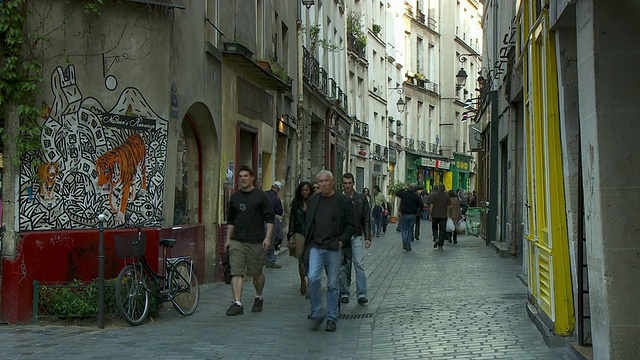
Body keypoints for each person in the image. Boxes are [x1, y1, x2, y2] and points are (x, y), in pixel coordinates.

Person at [302, 170, 356, 332]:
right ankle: (317, 312)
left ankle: (332, 317)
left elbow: (351, 225)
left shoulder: (343, 201)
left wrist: (341, 241)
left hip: (334, 247)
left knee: (333, 284)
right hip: (316, 247)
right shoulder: (313, 201)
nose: (323, 184)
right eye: (320, 181)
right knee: (313, 279)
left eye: (326, 181)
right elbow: (309, 222)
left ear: (332, 182)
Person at [225, 165, 274, 316]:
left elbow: (269, 218)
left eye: (246, 176)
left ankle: (258, 297)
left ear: (252, 178)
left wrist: (268, 237)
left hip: (256, 241)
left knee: (256, 272)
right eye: (240, 176)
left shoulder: (261, 196)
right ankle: (237, 303)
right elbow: (231, 220)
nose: (243, 179)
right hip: (237, 240)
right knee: (236, 272)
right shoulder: (235, 197)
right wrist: (228, 239)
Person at [339, 173, 372, 306]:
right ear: (342, 184)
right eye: (345, 183)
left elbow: (366, 217)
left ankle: (362, 293)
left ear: (353, 183)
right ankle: (344, 292)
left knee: (359, 265)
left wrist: (368, 237)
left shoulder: (361, 198)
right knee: (343, 265)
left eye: (349, 183)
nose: (347, 186)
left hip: (357, 235)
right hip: (342, 236)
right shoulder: (338, 198)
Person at [287, 181, 313, 296]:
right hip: (299, 233)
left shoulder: (315, 202)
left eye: (307, 190)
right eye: (303, 190)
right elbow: (292, 219)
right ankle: (303, 280)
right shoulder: (296, 203)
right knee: (301, 259)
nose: (304, 192)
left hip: (312, 234)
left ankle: (311, 282)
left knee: (312, 259)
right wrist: (290, 235)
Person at [395, 183, 421, 251]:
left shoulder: (404, 194)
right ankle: (408, 243)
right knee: (410, 229)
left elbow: (397, 192)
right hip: (412, 214)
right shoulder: (416, 196)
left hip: (404, 213)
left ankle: (404, 240)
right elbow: (418, 205)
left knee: (404, 228)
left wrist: (403, 188)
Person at [265, 181, 284, 268]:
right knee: (271, 240)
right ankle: (270, 260)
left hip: (259, 220)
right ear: (278, 189)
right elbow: (280, 211)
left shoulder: (264, 194)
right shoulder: (276, 199)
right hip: (271, 221)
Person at [429, 184, 452, 250]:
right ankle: (440, 245)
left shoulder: (434, 195)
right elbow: (449, 206)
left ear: (438, 188)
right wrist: (448, 214)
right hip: (443, 216)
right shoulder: (446, 196)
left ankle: (436, 238)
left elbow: (431, 205)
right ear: (444, 188)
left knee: (434, 228)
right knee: (442, 230)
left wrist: (430, 214)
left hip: (435, 215)